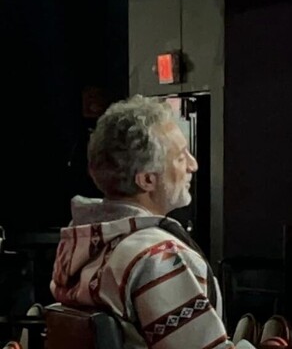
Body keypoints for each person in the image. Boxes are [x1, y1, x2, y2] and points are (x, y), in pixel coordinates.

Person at [50, 95, 254, 348]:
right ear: (147, 180)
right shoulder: (157, 259)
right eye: (180, 157)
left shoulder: (78, 245)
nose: (193, 165)